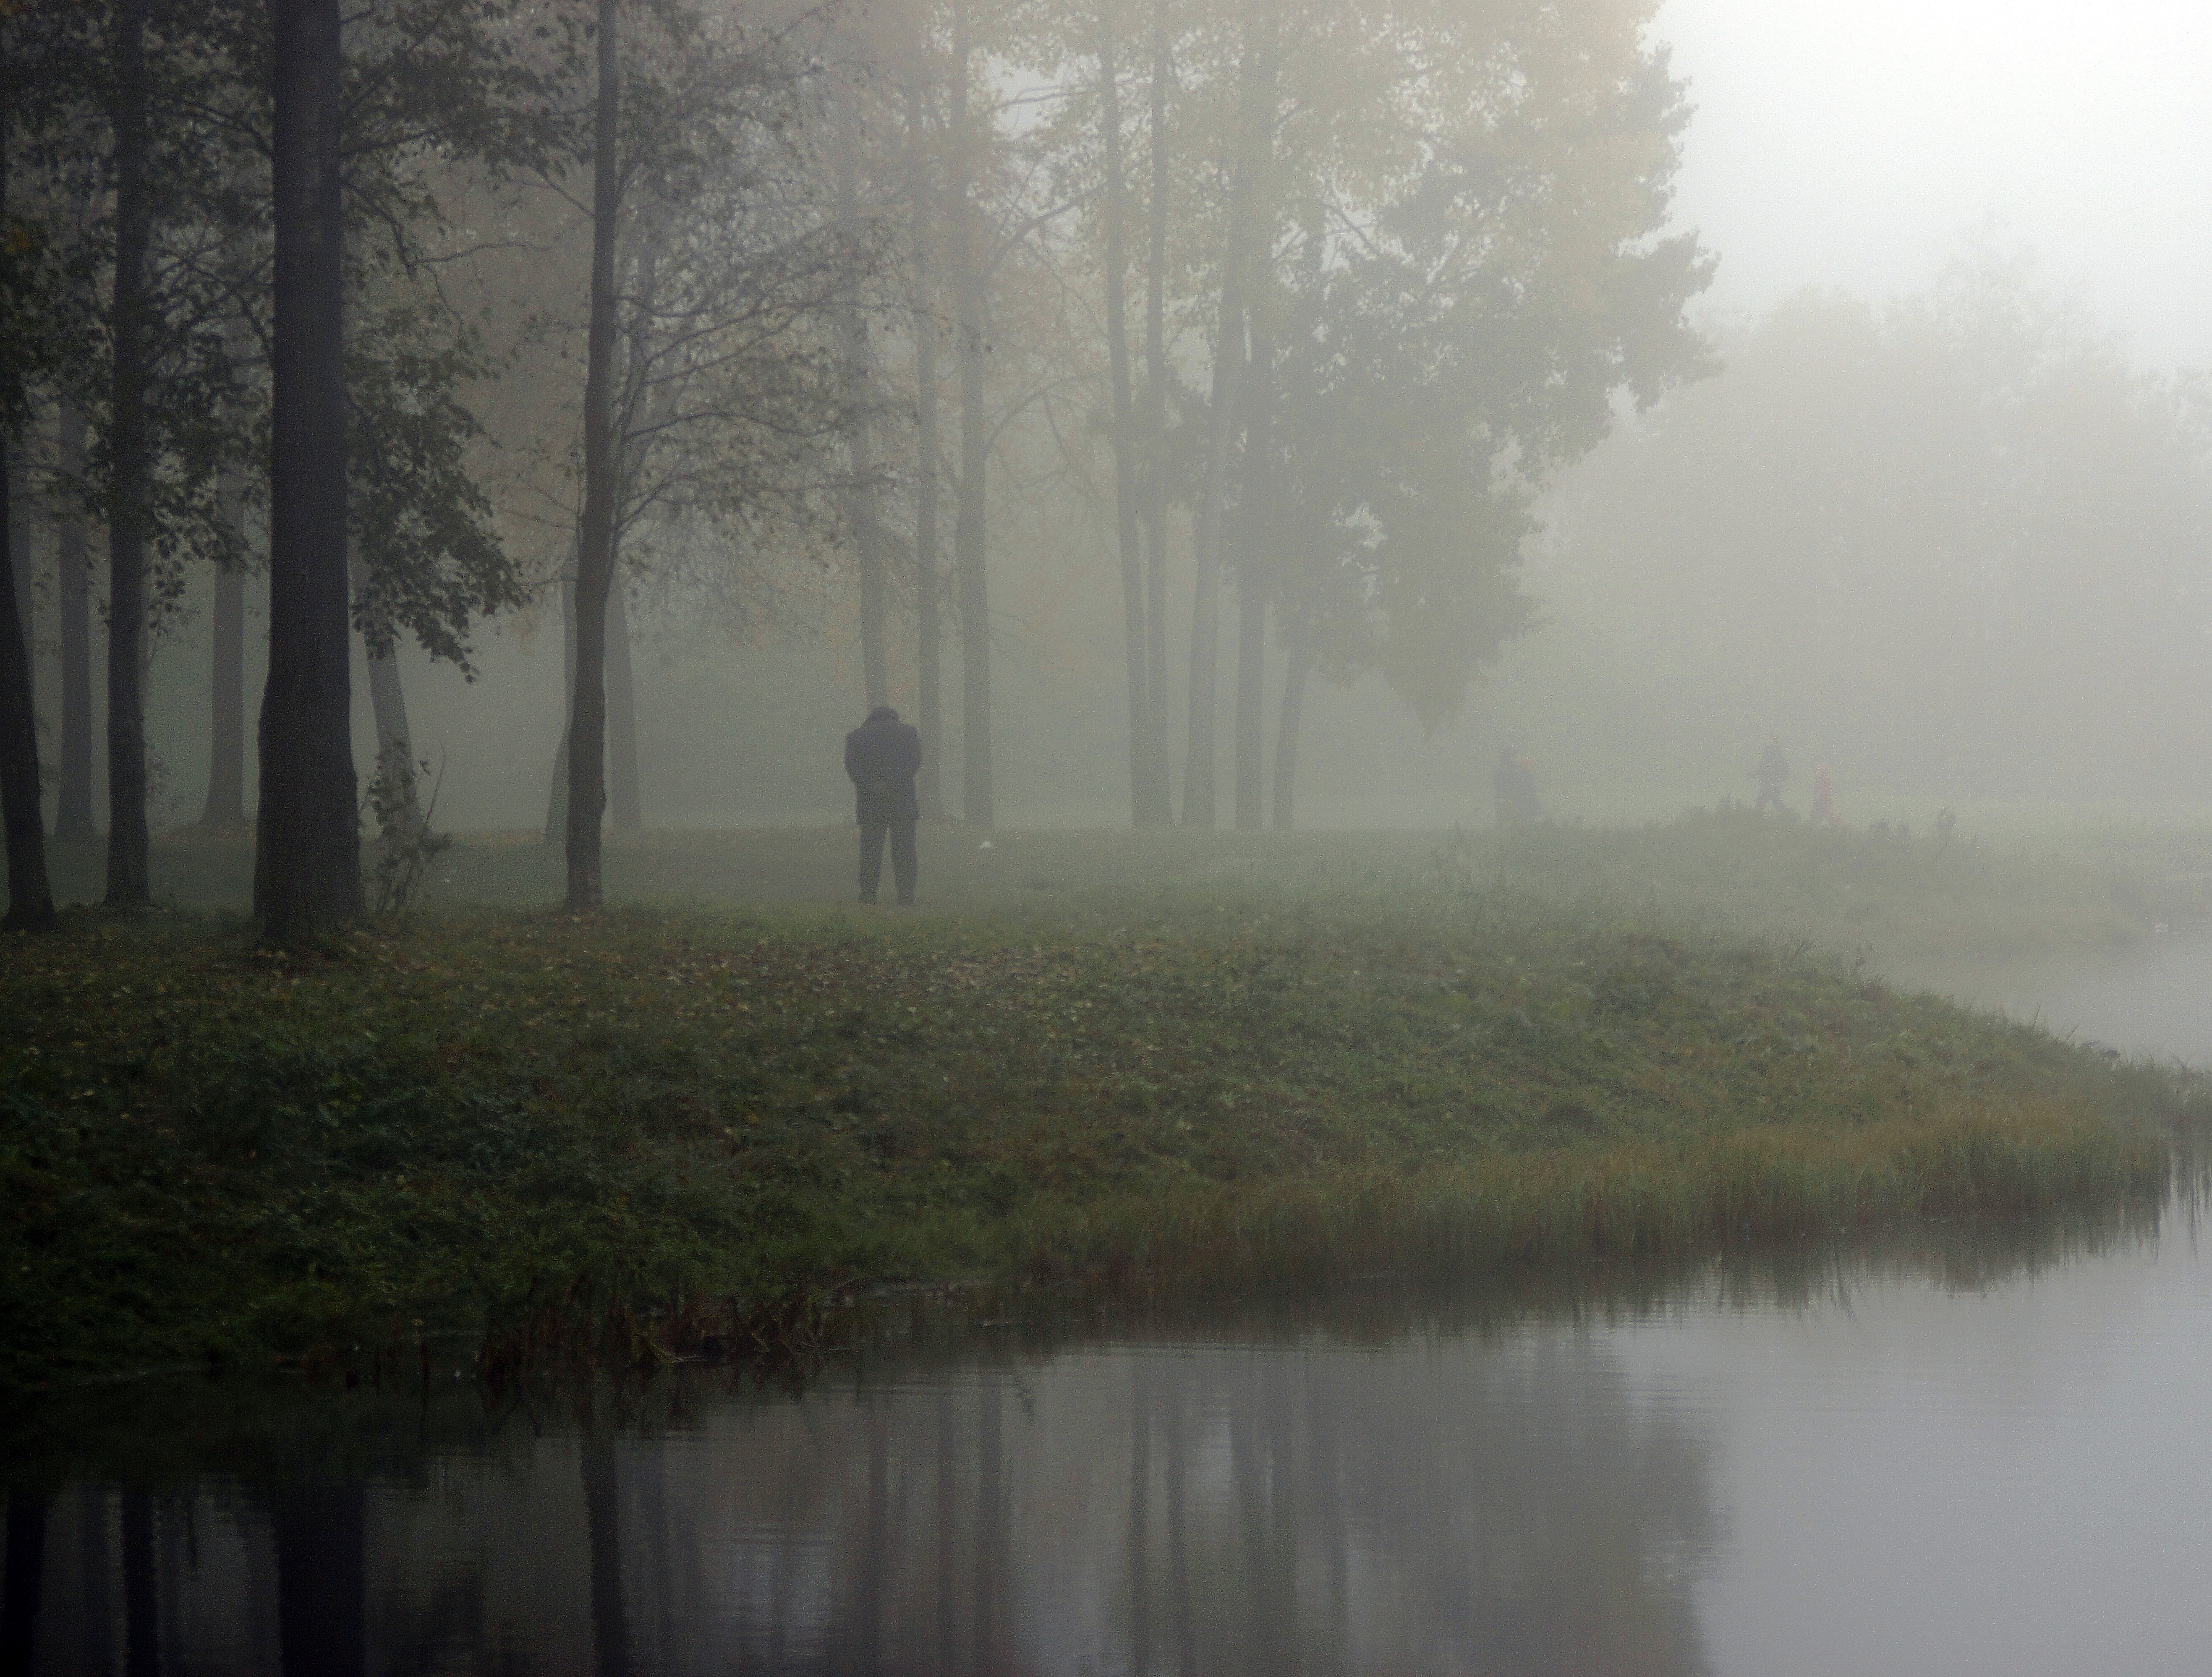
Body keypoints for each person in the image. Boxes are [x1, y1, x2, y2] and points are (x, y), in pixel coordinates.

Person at [845, 705, 922, 904]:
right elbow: (913, 763)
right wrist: (894, 783)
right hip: (902, 800)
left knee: (871, 849)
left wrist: (872, 785)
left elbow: (853, 768)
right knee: (904, 850)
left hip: (871, 801)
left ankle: (868, 893)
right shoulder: (908, 733)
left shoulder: (856, 737)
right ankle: (906, 895)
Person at [1754, 735, 1789, 814]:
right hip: (1773, 783)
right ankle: (1788, 818)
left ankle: (1756, 820)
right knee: (1776, 802)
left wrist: (1758, 774)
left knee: (1761, 804)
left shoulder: (1770, 753)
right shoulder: (1777, 753)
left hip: (1770, 783)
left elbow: (1765, 768)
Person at [1812, 762, 1836, 827]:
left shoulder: (1825, 780)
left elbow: (1828, 790)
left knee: (1830, 818)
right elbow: (1816, 790)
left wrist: (1823, 800)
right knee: (1816, 819)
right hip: (1821, 802)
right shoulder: (1820, 780)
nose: (1819, 772)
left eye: (1820, 770)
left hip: (1824, 802)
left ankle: (1841, 829)